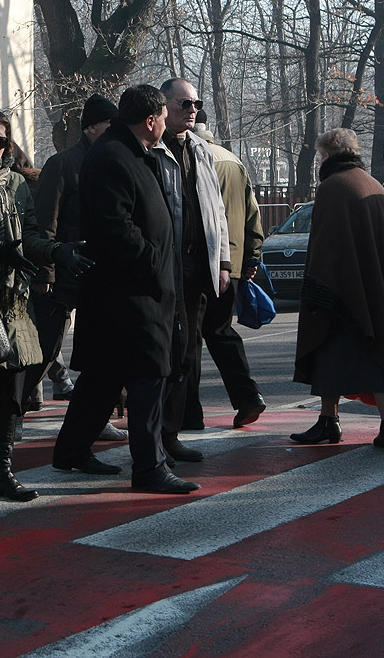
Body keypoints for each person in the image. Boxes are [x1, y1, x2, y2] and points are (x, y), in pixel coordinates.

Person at [51, 85, 200, 495]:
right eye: (163, 119)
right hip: (131, 292)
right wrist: (154, 262)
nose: (167, 125)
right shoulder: (115, 156)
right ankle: (150, 467)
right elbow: (117, 228)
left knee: (103, 375)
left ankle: (71, 450)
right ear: (150, 120)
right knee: (148, 375)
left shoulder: (130, 152)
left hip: (129, 290)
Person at [0, 109, 88, 502]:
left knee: (11, 392)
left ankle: (2, 472)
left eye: (0, 141)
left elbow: (29, 236)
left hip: (11, 299)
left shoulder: (17, 183)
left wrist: (57, 252)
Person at [291, 128, 384, 449]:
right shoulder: (371, 183)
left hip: (340, 293)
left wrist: (317, 294)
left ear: (326, 155)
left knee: (328, 354)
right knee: (378, 355)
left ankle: (330, 421)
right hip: (374, 293)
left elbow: (325, 247)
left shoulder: (333, 187)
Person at [31, 94, 126, 440]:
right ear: (90, 128)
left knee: (100, 354)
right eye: (108, 126)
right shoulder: (63, 164)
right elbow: (46, 223)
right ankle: (11, 414)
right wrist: (46, 273)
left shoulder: (116, 161)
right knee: (43, 351)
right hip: (63, 274)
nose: (115, 131)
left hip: (100, 275)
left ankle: (96, 419)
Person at [151, 78, 230, 464]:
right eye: (184, 103)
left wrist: (225, 262)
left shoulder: (200, 149)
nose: (193, 109)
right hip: (165, 270)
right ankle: (154, 435)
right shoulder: (151, 149)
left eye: (197, 103)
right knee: (164, 353)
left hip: (198, 269)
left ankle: (172, 432)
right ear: (164, 106)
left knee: (189, 353)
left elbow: (216, 210)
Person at [186, 110, 266, 429]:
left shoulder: (189, 158)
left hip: (198, 262)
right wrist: (251, 257)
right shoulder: (232, 160)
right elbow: (252, 217)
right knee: (221, 331)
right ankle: (248, 396)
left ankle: (188, 412)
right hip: (230, 264)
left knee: (189, 338)